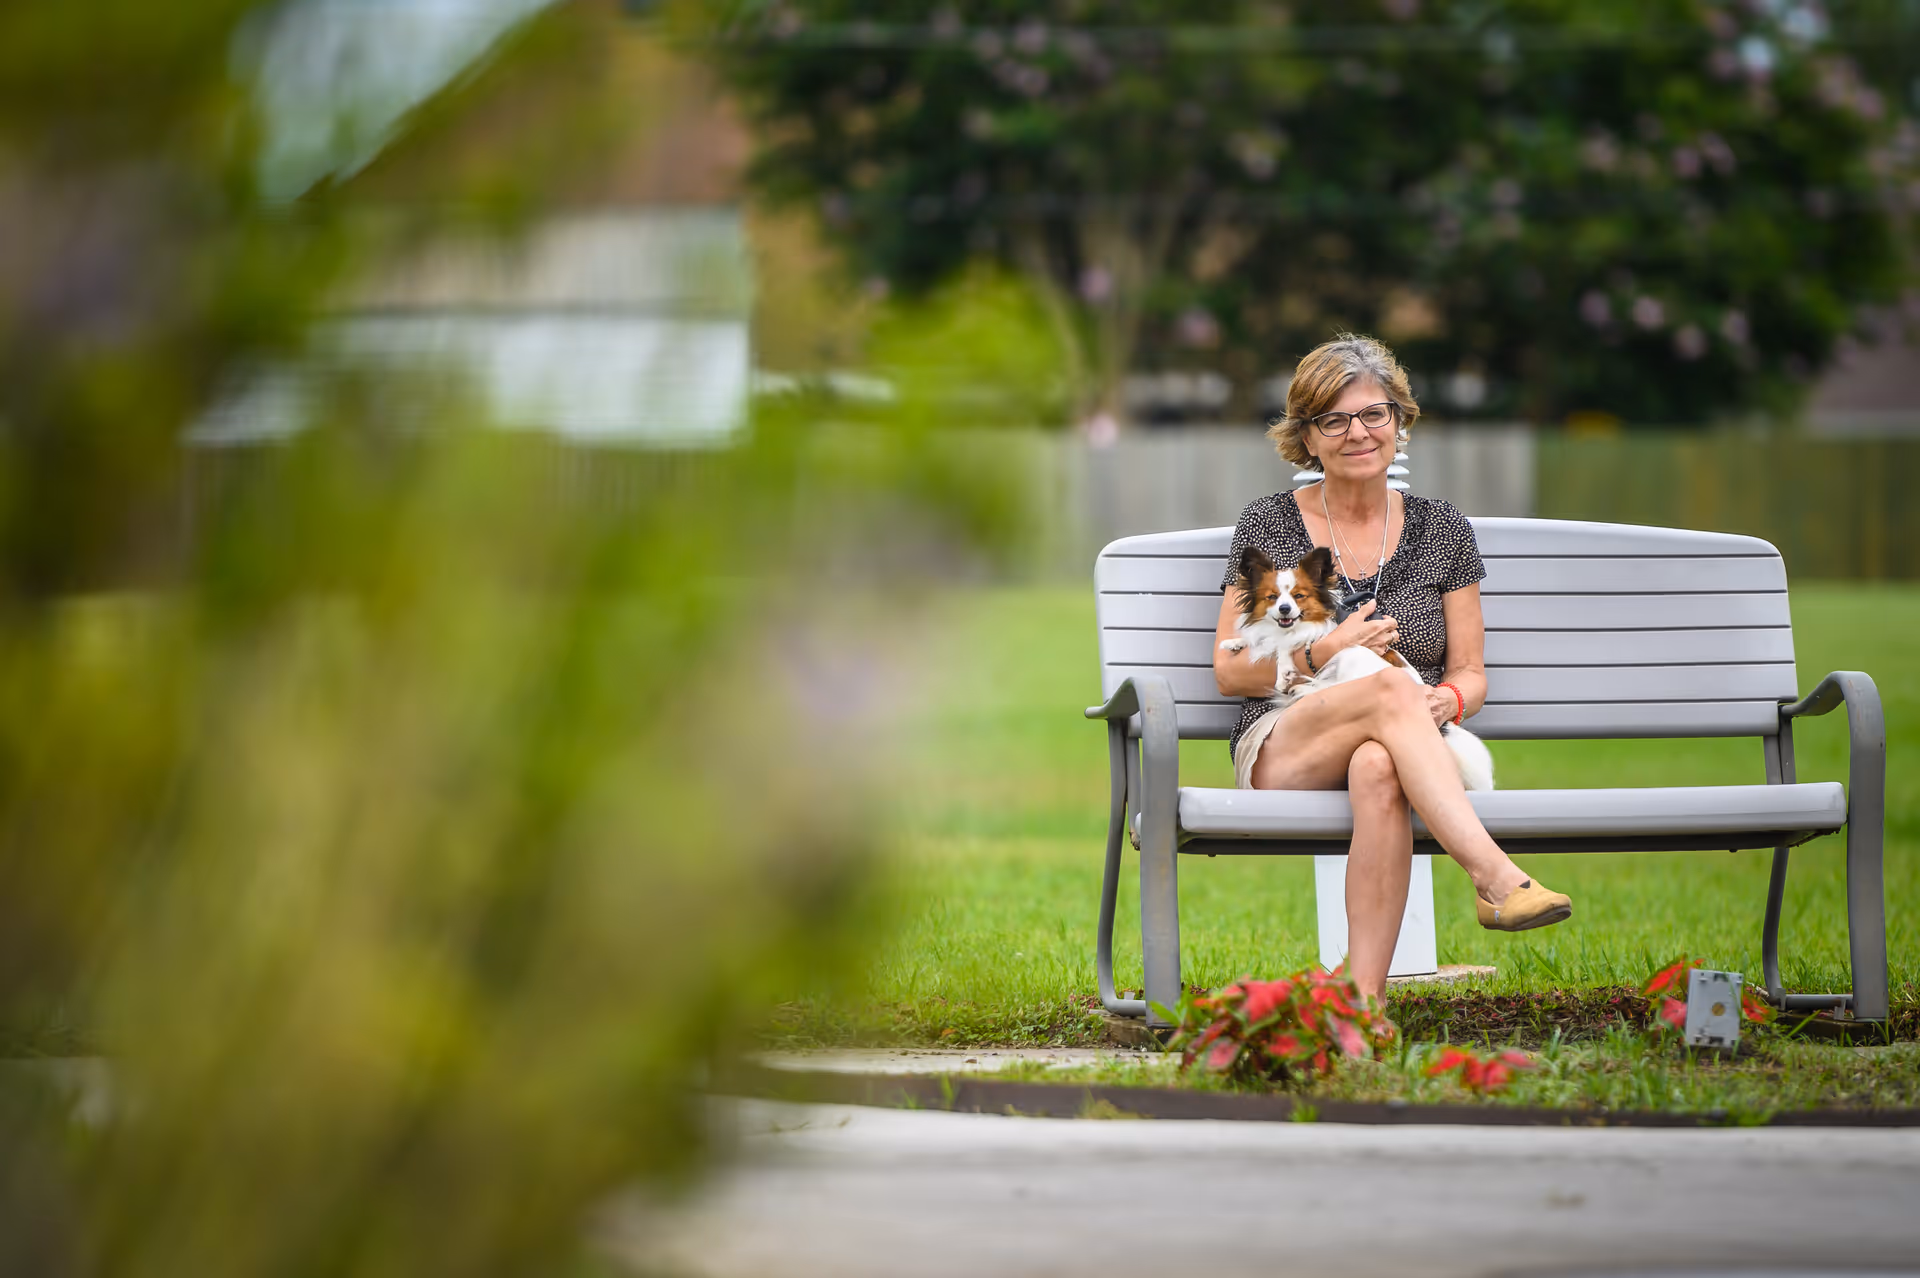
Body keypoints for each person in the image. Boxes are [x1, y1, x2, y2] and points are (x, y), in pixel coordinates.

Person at [1212, 335, 1571, 1003]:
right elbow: (1230, 673)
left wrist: (1447, 703)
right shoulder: (1268, 524)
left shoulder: (1445, 531)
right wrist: (1328, 647)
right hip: (1284, 744)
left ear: (1400, 423)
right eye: (1334, 420)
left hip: (1400, 737)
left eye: (1374, 414)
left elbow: (1470, 673)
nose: (1358, 433)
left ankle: (1364, 1009)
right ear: (1307, 438)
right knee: (1385, 689)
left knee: (1379, 763)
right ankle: (1493, 878)